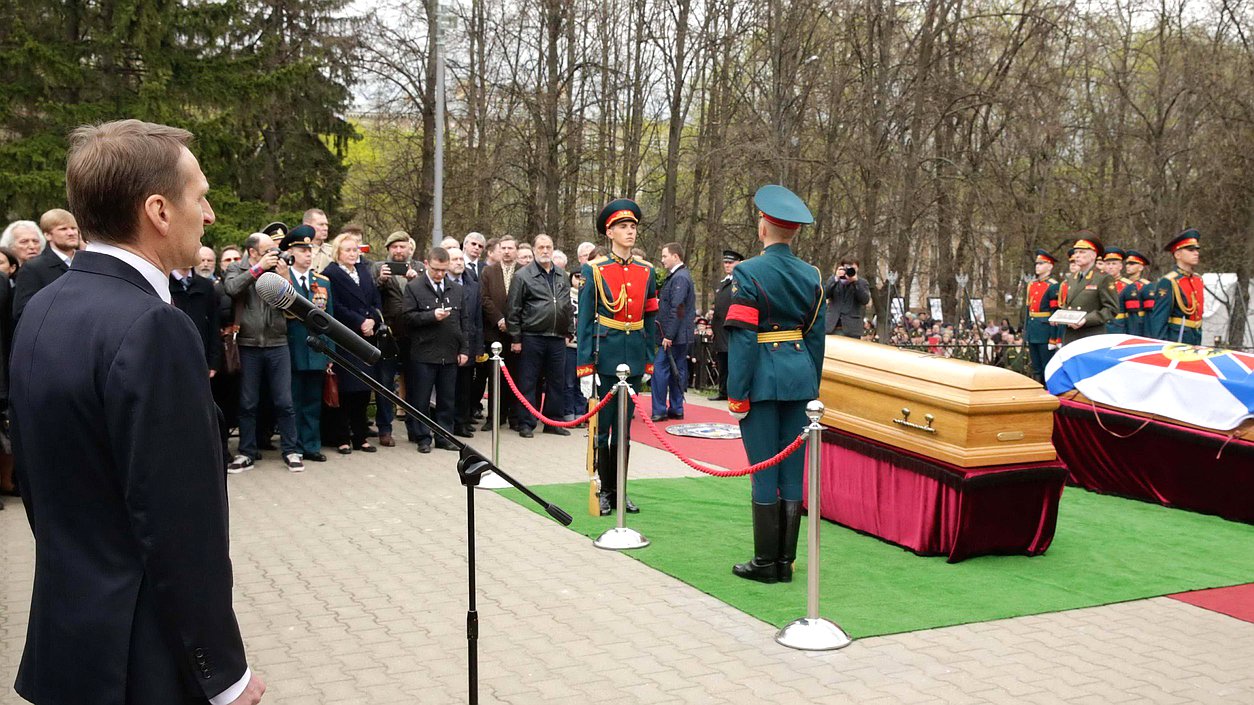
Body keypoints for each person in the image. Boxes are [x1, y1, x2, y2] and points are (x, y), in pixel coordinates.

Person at [10, 119, 263, 705]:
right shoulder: (153, 325)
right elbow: (179, 518)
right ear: (158, 209)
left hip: (68, 641)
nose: (210, 214)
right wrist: (222, 672)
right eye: (199, 196)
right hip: (140, 656)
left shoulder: (44, 307)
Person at [725, 184, 825, 585]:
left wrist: (736, 393)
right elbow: (815, 338)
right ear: (794, 232)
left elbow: (744, 338)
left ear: (763, 227)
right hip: (800, 379)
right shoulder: (811, 275)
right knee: (791, 471)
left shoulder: (748, 271)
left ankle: (766, 563)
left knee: (763, 470)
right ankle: (785, 561)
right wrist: (810, 386)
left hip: (762, 381)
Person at [576, 199, 658, 515]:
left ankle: (619, 490)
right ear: (609, 232)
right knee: (605, 429)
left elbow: (650, 318)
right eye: (623, 227)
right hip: (606, 356)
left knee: (624, 431)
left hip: (634, 355)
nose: (630, 232)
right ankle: (604, 490)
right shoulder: (595, 269)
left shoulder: (646, 271)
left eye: (633, 227)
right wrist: (585, 367)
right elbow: (584, 321)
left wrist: (648, 360)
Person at [223, 230, 303, 472]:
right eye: (268, 250)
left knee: (284, 402)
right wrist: (258, 269)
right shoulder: (237, 268)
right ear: (252, 252)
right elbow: (232, 288)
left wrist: (285, 276)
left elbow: (294, 305)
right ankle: (246, 452)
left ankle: (291, 450)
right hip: (248, 345)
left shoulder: (277, 269)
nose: (273, 254)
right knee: (248, 403)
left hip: (278, 343)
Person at [322, 232, 384, 454]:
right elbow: (334, 306)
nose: (352, 253)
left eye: (355, 249)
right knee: (345, 391)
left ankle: (361, 436)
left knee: (363, 389)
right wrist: (359, 322)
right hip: (345, 337)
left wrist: (372, 320)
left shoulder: (364, 272)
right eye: (347, 249)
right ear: (337, 252)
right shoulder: (330, 274)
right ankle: (342, 437)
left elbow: (376, 301)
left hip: (367, 337)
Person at [507, 233, 574, 438]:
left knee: (557, 381)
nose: (545, 251)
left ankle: (553, 422)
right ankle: (526, 422)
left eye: (549, 247)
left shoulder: (562, 275)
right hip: (532, 335)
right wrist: (516, 338)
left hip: (557, 337)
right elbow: (513, 309)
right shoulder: (523, 276)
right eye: (541, 247)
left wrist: (569, 330)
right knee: (528, 380)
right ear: (534, 250)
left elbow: (567, 305)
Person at [403, 246, 467, 453]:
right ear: (427, 264)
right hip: (424, 352)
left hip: (449, 352)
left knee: (447, 399)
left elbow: (464, 322)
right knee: (420, 398)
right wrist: (431, 316)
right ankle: (422, 436)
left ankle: (444, 436)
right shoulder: (414, 287)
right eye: (436, 270)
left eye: (443, 270)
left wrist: (464, 349)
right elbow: (407, 318)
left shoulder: (456, 289)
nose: (440, 274)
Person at [281, 227, 333, 463]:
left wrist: (330, 353)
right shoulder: (283, 280)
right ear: (291, 252)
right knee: (294, 401)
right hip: (292, 348)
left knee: (313, 402)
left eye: (309, 249)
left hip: (316, 351)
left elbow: (330, 320)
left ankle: (312, 445)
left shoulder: (322, 282)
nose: (307, 254)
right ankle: (295, 446)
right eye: (302, 250)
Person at [373, 231, 422, 445]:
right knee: (384, 382)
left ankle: (415, 428)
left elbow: (428, 296)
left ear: (409, 248)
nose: (399, 251)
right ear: (388, 250)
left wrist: (416, 281)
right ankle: (385, 429)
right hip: (388, 333)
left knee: (415, 383)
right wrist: (380, 280)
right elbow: (371, 296)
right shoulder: (377, 268)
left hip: (415, 335)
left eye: (402, 246)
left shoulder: (420, 268)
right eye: (394, 247)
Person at [480, 235, 521, 431]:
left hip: (516, 334)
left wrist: (512, 324)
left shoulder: (524, 272)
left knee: (514, 377)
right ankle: (494, 417)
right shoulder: (488, 272)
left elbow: (526, 301)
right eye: (503, 248)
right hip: (494, 332)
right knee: (494, 375)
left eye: (510, 248)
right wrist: (499, 319)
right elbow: (484, 299)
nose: (506, 251)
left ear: (516, 250)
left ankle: (513, 417)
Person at [651, 242, 695, 421]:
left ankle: (660, 409)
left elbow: (678, 308)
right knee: (678, 370)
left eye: (664, 256)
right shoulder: (679, 276)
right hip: (680, 334)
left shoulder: (680, 278)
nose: (662, 260)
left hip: (675, 336)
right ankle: (676, 408)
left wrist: (668, 335)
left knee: (660, 370)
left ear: (675, 256)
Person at [12, 209, 80, 322]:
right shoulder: (33, 268)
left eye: (73, 228)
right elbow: (23, 311)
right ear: (47, 235)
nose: (71, 233)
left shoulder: (86, 262)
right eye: (63, 229)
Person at [1056, 234, 1119, 346]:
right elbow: (1069, 304)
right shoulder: (1072, 278)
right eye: (1076, 252)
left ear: (1093, 255)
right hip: (1071, 334)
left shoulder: (1102, 278)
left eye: (1082, 252)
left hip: (1091, 335)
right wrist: (1059, 316)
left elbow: (1111, 309)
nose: (1077, 256)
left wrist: (1086, 319)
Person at [447, 246, 483, 437]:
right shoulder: (442, 283)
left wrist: (478, 347)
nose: (459, 263)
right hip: (445, 345)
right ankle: (446, 424)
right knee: (446, 388)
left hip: (466, 344)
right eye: (454, 259)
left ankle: (461, 422)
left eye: (461, 259)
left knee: (464, 387)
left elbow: (477, 319)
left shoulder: (473, 286)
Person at [1148, 229, 1204, 345]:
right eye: (1191, 250)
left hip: (1196, 337)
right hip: (1177, 338)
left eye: (1197, 250)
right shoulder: (1169, 281)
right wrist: (1160, 347)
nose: (1196, 253)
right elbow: (1159, 319)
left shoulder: (1198, 279)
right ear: (1178, 254)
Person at [708, 250, 743, 401]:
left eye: (731, 262)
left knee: (733, 363)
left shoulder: (740, 281)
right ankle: (723, 391)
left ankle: (734, 393)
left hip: (733, 329)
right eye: (725, 262)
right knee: (722, 363)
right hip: (720, 329)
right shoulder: (724, 283)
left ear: (739, 263)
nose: (727, 265)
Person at [1024, 249, 1060, 383]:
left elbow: (1055, 313)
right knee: (1036, 366)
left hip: (1045, 330)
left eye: (1041, 263)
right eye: (1037, 264)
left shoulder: (1053, 286)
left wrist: (1054, 336)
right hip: (1034, 329)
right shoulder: (1032, 285)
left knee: (1047, 365)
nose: (1037, 266)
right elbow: (1028, 310)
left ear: (1050, 266)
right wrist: (1026, 330)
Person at [823, 257, 870, 337]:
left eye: (853, 268)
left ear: (857, 269)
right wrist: (835, 278)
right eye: (847, 268)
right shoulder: (834, 280)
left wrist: (856, 283)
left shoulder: (862, 283)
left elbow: (865, 300)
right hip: (831, 326)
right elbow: (824, 295)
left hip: (852, 328)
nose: (849, 270)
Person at [1101, 248, 1132, 334]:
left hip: (1119, 328)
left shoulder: (1128, 285)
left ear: (1120, 266)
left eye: (1114, 264)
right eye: (1107, 264)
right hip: (1101, 327)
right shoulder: (1097, 283)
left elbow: (1133, 316)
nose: (1110, 267)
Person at [1123, 250, 1152, 337]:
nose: (1128, 266)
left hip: (1140, 325)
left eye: (1132, 264)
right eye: (1127, 264)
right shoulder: (1123, 284)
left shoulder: (1146, 286)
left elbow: (1149, 313)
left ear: (1141, 268)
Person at [304, 207, 334, 273]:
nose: (325, 228)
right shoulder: (297, 252)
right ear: (307, 226)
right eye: (321, 225)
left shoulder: (333, 251)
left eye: (326, 225)